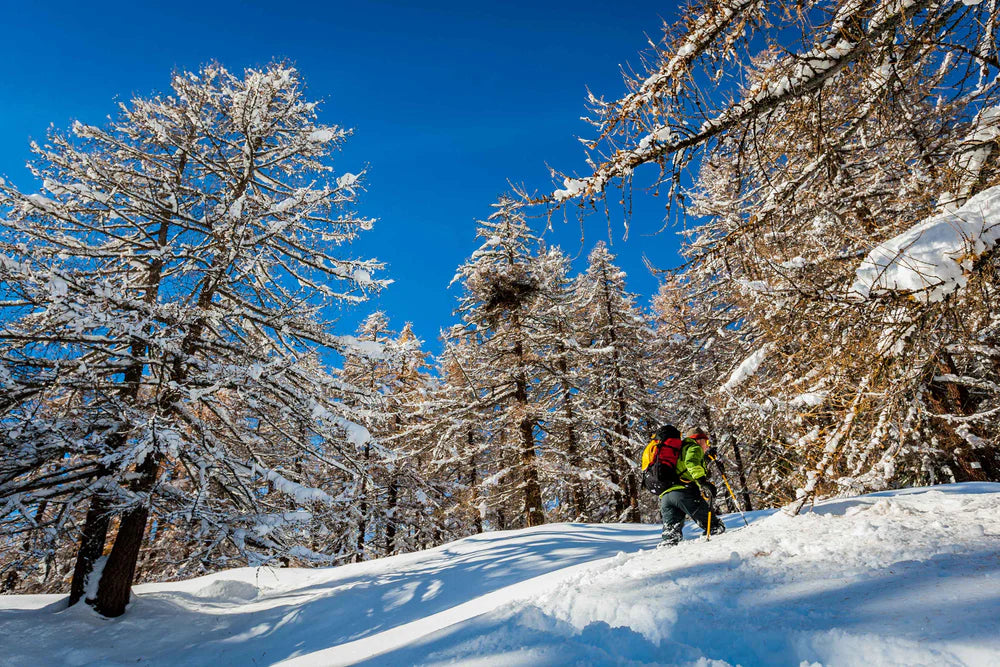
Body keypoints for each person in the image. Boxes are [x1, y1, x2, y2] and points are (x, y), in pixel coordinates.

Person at [647, 424, 725, 548]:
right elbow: (691, 463)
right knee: (714, 526)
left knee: (670, 537)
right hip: (684, 493)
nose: (707, 445)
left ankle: (665, 557)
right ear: (698, 440)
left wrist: (706, 459)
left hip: (666, 496)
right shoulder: (694, 447)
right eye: (706, 441)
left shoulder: (678, 450)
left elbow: (684, 465)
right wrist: (702, 481)